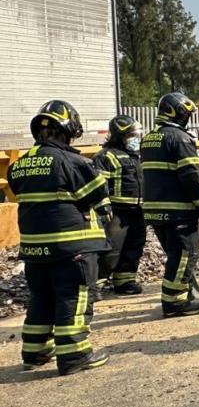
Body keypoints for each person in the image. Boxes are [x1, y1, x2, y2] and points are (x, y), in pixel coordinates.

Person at [8, 100, 111, 375]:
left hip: (34, 250)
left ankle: (35, 351)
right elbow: (98, 194)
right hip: (71, 248)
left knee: (42, 298)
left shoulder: (19, 165)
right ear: (67, 130)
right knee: (73, 298)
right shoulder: (72, 161)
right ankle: (75, 355)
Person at [142, 92, 199, 317]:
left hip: (155, 209)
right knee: (184, 254)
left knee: (174, 254)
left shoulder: (149, 138)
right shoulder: (180, 139)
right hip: (178, 210)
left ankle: (180, 295)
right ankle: (175, 302)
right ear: (179, 113)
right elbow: (192, 175)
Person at [92, 115, 146, 296]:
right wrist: (103, 207)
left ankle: (125, 282)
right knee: (110, 250)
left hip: (137, 211)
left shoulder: (136, 156)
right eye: (131, 135)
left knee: (134, 247)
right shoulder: (105, 156)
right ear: (119, 135)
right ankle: (95, 287)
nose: (135, 138)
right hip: (117, 213)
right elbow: (98, 186)